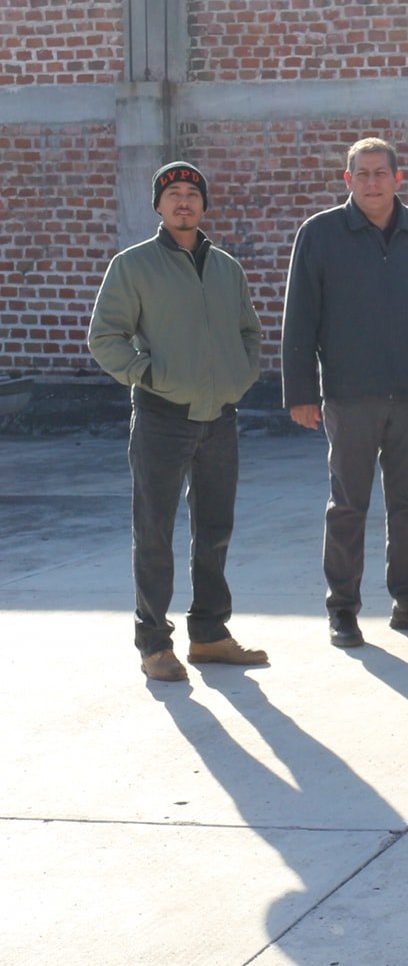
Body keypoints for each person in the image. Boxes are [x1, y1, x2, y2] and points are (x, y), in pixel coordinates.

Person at [283, 137, 408, 648]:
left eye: (380, 173)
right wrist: (301, 392)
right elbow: (300, 318)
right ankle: (342, 608)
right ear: (347, 181)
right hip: (350, 394)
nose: (371, 182)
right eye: (361, 174)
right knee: (348, 505)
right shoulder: (319, 235)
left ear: (398, 178)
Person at [88, 161, 267, 682]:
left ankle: (210, 635)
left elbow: (249, 332)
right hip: (162, 418)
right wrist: (149, 374)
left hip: (220, 417)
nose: (184, 202)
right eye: (174, 196)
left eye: (193, 193)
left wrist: (239, 377)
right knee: (155, 532)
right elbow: (105, 338)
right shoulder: (133, 265)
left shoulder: (227, 267)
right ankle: (154, 645)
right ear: (159, 207)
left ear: (204, 205)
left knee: (214, 531)